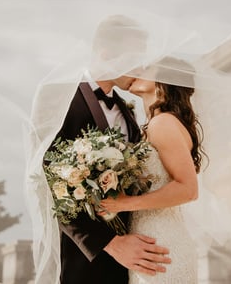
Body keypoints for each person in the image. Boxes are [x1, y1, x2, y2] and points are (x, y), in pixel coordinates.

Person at [47, 15, 171, 284]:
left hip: (135, 258)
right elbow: (50, 183)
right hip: (85, 259)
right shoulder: (58, 97)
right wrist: (111, 244)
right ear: (107, 54)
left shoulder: (128, 112)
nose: (140, 68)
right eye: (134, 58)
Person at [100, 58, 204, 283]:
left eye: (146, 67)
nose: (136, 69)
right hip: (148, 242)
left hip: (163, 245)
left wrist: (123, 203)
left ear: (165, 79)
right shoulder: (154, 123)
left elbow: (188, 189)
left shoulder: (164, 123)